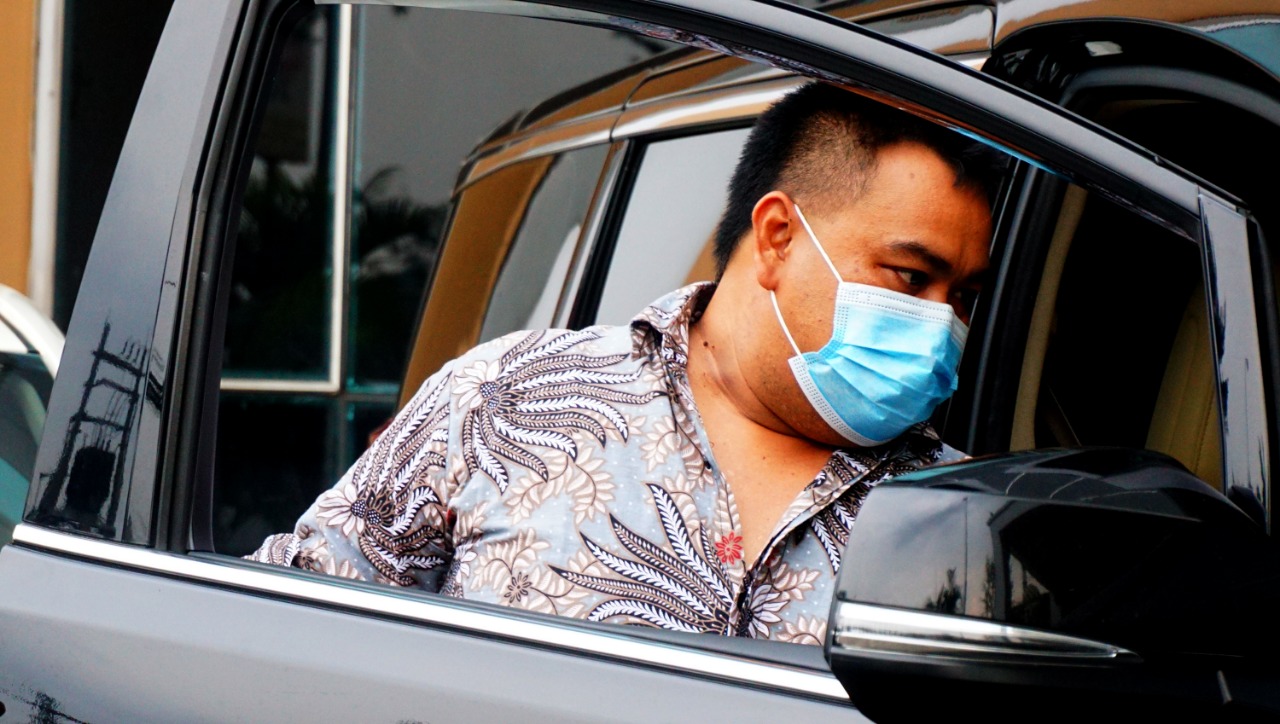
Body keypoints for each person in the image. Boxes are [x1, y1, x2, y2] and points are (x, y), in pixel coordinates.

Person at [250, 82, 1002, 644]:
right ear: (778, 237)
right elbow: (286, 622)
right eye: (911, 277)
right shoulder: (509, 396)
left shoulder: (965, 517)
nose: (942, 324)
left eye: (964, 297)